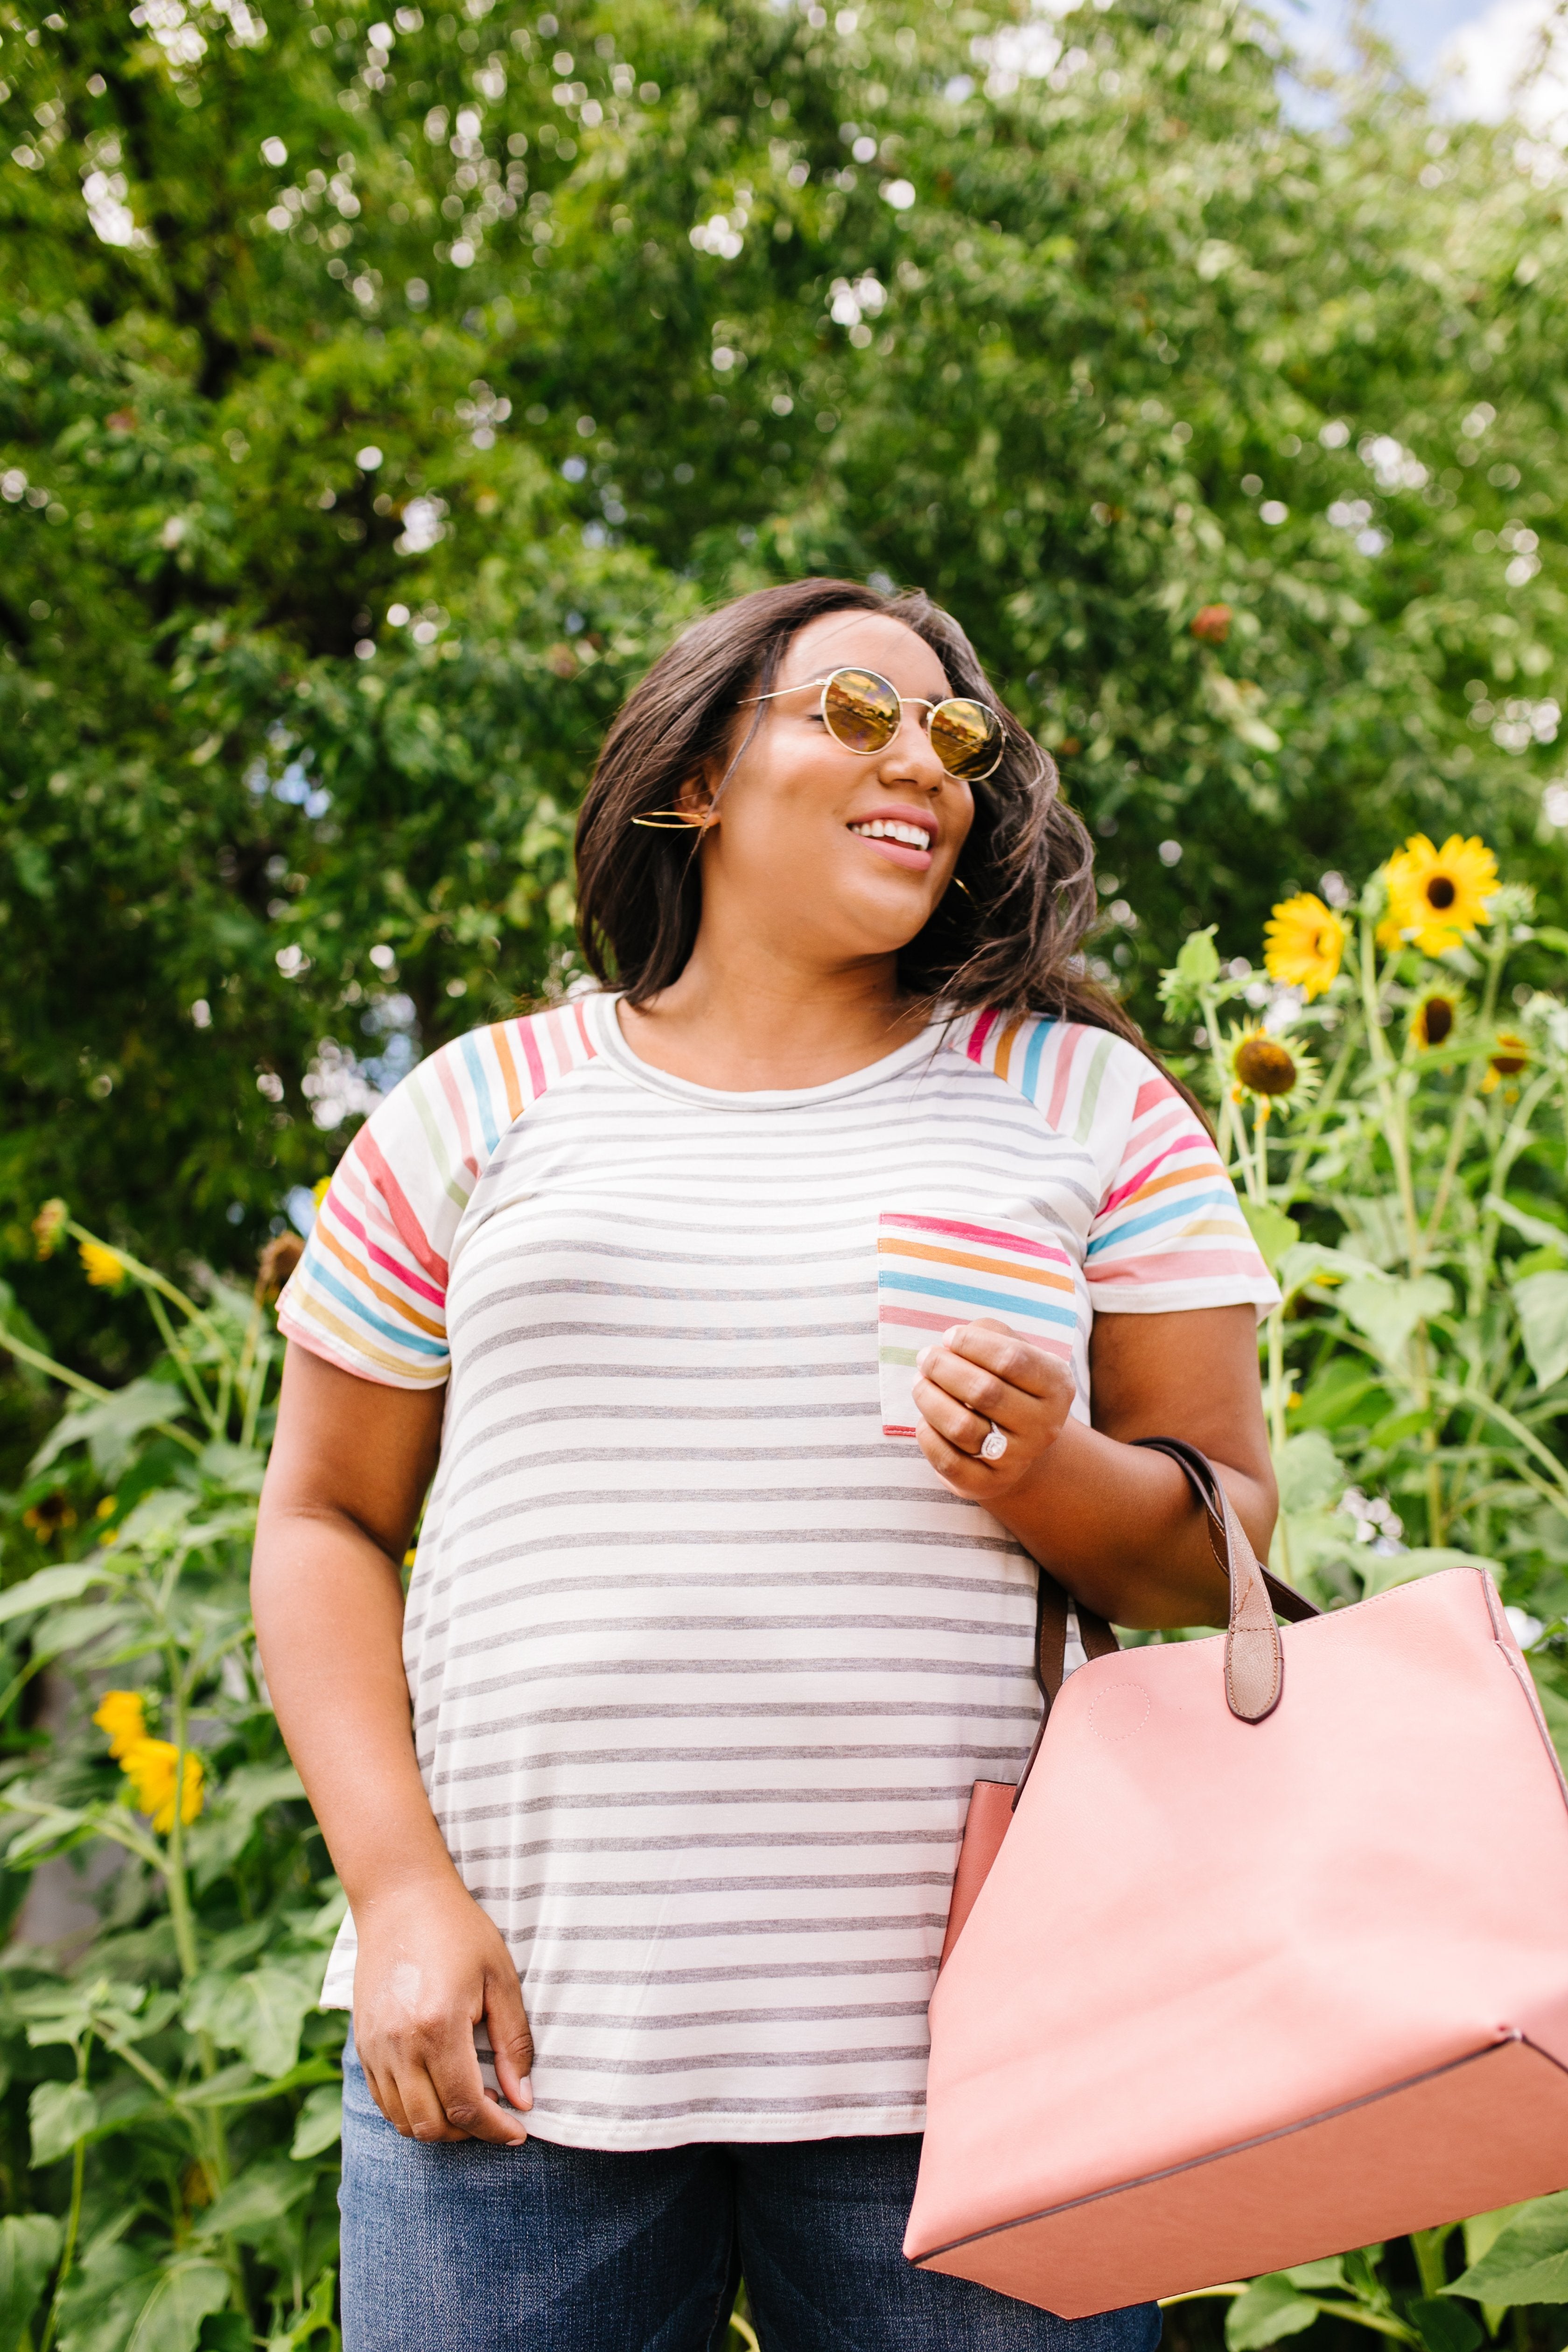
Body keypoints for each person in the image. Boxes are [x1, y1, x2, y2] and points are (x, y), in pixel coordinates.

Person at [253, 577, 1280, 2352]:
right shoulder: (474, 1108)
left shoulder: (1089, 1106)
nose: (928, 768)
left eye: (958, 738)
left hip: (983, 2041)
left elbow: (1227, 1544)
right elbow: (327, 1519)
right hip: (514, 2039)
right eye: (858, 713)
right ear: (700, 777)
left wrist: (1048, 1471)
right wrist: (398, 1891)